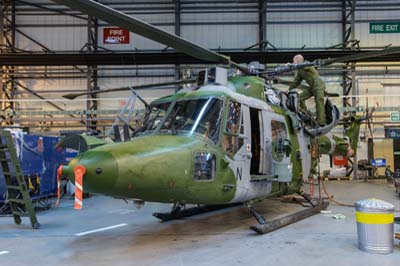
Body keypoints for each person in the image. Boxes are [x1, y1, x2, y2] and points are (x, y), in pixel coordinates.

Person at [288, 54, 327, 126]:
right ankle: (305, 115)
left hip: (318, 85)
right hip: (312, 87)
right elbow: (296, 82)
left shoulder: (307, 64)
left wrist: (292, 65)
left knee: (319, 102)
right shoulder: (300, 71)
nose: (293, 63)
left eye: (294, 61)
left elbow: (305, 66)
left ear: (299, 61)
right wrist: (289, 90)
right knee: (299, 98)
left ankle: (321, 122)